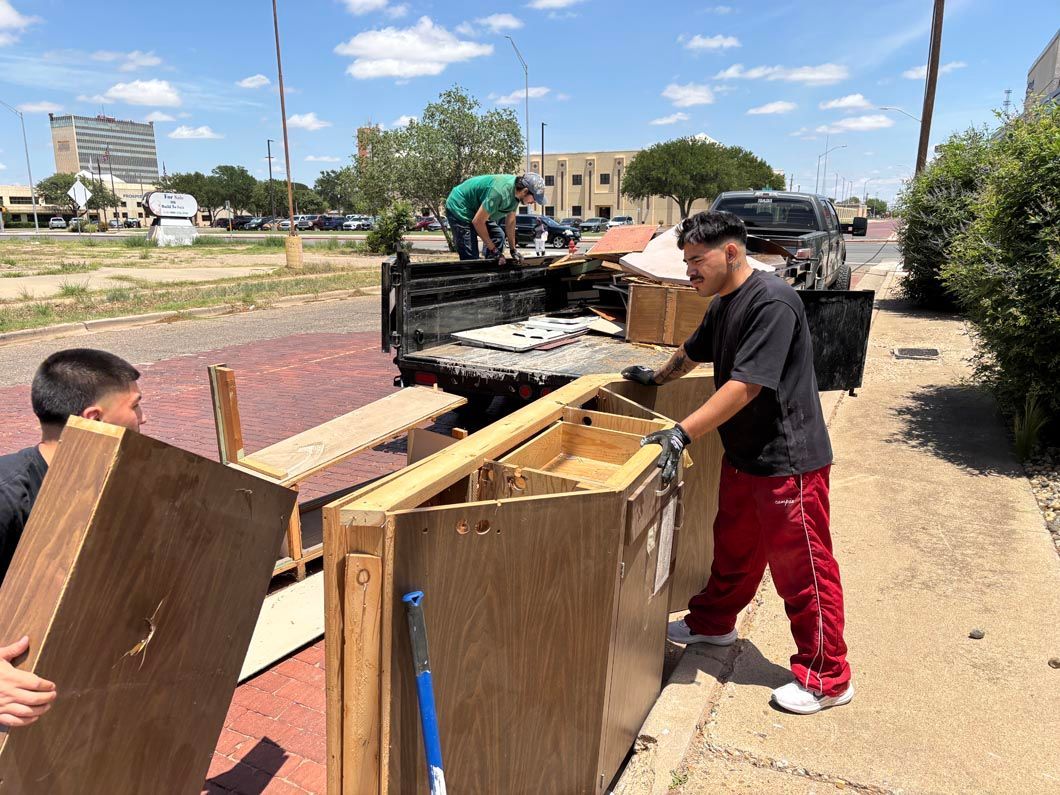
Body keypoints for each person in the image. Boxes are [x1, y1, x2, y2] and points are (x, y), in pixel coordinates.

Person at [622, 211, 852, 716]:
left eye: (696, 260)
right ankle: (714, 623)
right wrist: (656, 377)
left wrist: (681, 432)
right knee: (733, 550)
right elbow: (692, 352)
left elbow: (746, 386)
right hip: (746, 455)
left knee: (803, 570)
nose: (689, 272)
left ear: (731, 252)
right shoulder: (723, 302)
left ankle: (828, 677)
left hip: (789, 461)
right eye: (686, 262)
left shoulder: (772, 302)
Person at [0, 349, 145, 727]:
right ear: (94, 420)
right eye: (135, 407)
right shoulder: (7, 495)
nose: (143, 418)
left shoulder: (114, 483)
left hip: (84, 702)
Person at [444, 172, 546, 263]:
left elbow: (510, 222)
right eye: (534, 199)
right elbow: (478, 222)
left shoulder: (517, 195)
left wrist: (513, 250)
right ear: (525, 191)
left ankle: (490, 268)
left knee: (498, 236)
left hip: (476, 210)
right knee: (471, 257)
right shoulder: (499, 192)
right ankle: (472, 273)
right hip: (460, 206)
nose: (534, 202)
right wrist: (494, 250)